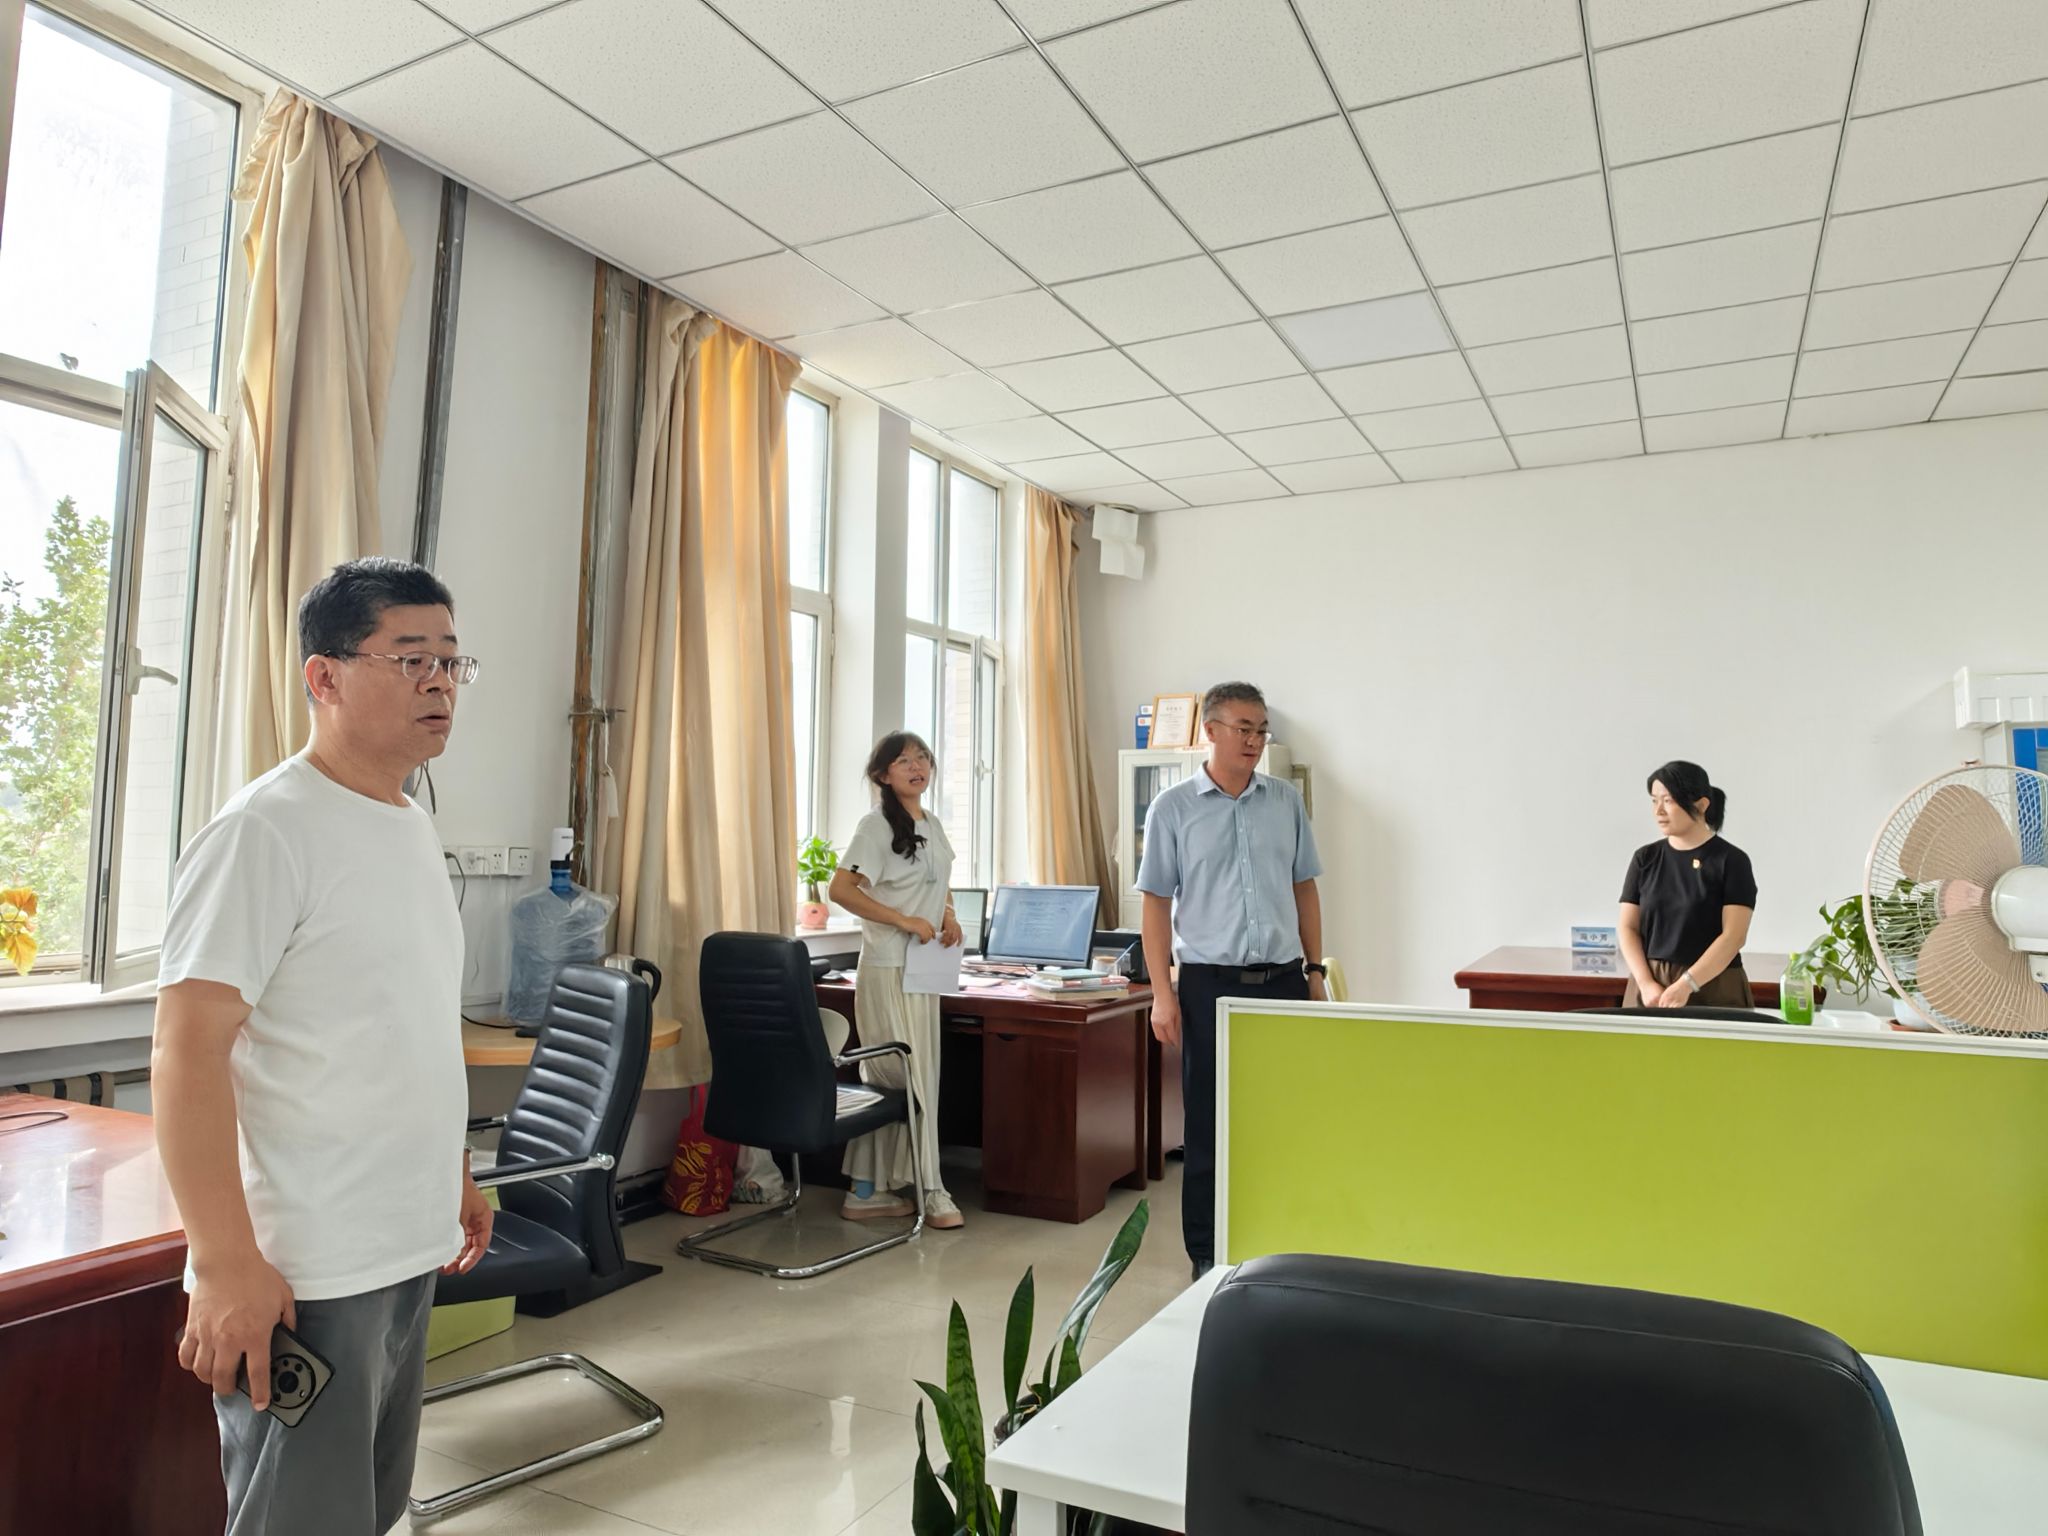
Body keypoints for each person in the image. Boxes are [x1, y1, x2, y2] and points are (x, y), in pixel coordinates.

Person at [153, 558, 493, 1535]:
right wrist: (224, 1263)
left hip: (405, 1245)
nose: (438, 682)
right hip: (308, 1270)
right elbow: (186, 1052)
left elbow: (401, 1023)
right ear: (324, 676)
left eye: (452, 662)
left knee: (370, 1514)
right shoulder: (265, 830)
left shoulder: (409, 824)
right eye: (411, 658)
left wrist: (452, 1172)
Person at [1138, 683, 1325, 1280]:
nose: (1254, 740)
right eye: (1244, 728)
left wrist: (1315, 971)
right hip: (1208, 987)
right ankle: (1206, 1255)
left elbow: (1304, 888)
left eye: (1261, 729)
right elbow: (1154, 905)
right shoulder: (1172, 808)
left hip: (1283, 981)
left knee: (1285, 1117)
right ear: (1211, 730)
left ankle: (1281, 1242)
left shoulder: (1285, 802)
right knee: (1209, 1123)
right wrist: (1162, 995)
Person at [828, 731, 965, 1230]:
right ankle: (932, 1190)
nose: (916, 766)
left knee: (915, 1078)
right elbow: (840, 889)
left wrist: (947, 914)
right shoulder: (875, 825)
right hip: (888, 966)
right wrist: (902, 920)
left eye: (922, 757)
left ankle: (867, 1190)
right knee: (902, 1078)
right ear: (883, 774)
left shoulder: (931, 822)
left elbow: (938, 882)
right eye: (903, 760)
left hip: (925, 966)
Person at [1618, 760, 1759, 1010]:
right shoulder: (1645, 858)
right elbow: (1628, 927)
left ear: (1702, 805)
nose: (1659, 810)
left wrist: (1687, 984)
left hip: (1713, 985)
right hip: (1651, 986)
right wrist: (1645, 983)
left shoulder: (1732, 860)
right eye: (1654, 800)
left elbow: (1734, 936)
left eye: (1668, 801)